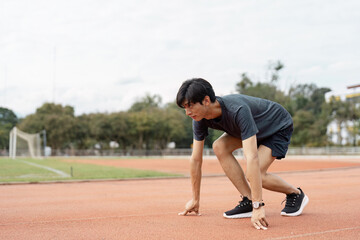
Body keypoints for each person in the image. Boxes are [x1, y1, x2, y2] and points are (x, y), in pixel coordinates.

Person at [176, 78, 309, 230]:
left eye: (190, 106)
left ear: (206, 100)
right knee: (219, 146)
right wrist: (195, 199)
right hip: (255, 129)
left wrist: (258, 207)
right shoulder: (199, 118)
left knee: (256, 174)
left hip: (277, 127)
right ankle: (248, 199)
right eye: (184, 108)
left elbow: (251, 157)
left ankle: (295, 194)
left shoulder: (237, 110)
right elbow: (196, 159)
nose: (187, 112)